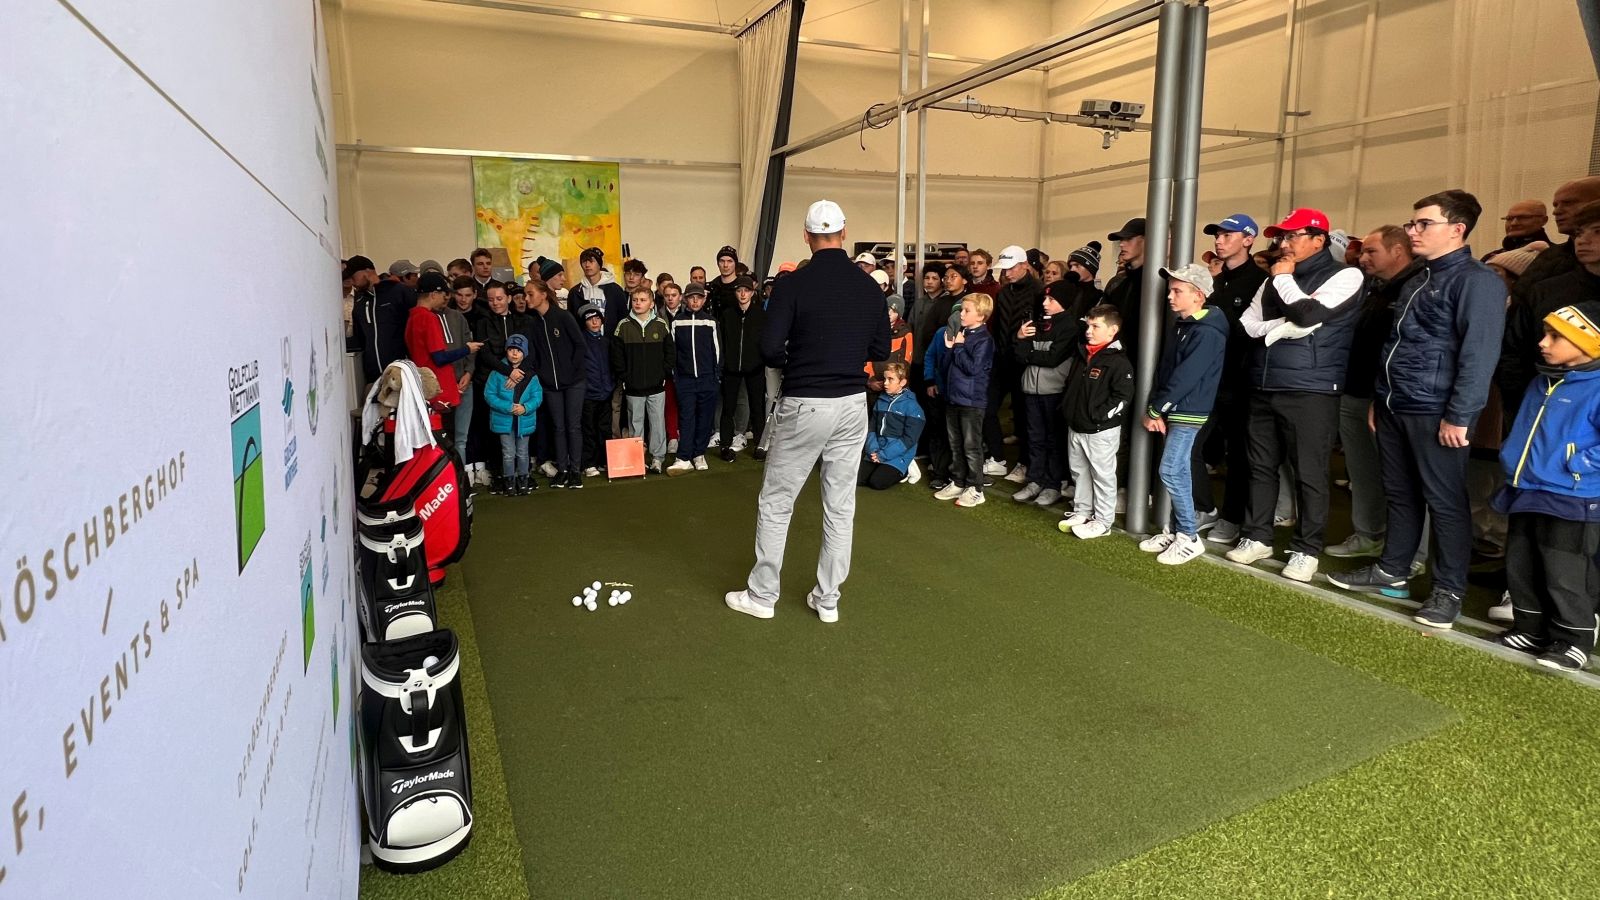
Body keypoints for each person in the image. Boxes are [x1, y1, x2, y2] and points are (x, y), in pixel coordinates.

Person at [1329, 190, 1506, 629]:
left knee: (1445, 502)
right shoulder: (1417, 277)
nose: (1413, 231)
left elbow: (1478, 354)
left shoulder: (1477, 281)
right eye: (1412, 224)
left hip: (1436, 411)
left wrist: (1461, 415)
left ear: (1457, 229)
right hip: (1394, 404)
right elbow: (1396, 345)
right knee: (1400, 494)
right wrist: (1379, 398)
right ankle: (1392, 571)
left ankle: (1449, 591)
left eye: (1423, 224)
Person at [724, 199, 890, 624]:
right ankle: (828, 598)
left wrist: (800, 358)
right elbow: (880, 351)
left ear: (806, 236)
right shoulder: (869, 286)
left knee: (778, 501)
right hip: (852, 404)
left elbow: (768, 348)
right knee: (839, 505)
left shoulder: (793, 285)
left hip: (806, 402)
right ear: (845, 233)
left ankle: (762, 596)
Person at [1223, 208, 1363, 582]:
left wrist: (1284, 281)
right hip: (1263, 382)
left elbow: (1306, 314)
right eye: (1282, 237)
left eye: (1293, 236)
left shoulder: (1346, 274)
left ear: (1319, 239)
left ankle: (1306, 549)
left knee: (1310, 473)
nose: (1284, 244)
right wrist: (1280, 325)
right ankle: (1257, 536)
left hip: (1311, 388)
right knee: (1260, 466)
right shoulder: (1271, 279)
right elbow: (1247, 325)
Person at [1493, 301, 1600, 671]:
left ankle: (1574, 638)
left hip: (1572, 496)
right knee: (1522, 563)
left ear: (1590, 344)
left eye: (1556, 336)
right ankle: (1531, 628)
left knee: (1565, 571)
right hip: (1527, 488)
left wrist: (1579, 464)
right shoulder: (1542, 380)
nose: (1543, 342)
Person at [1326, 226, 1421, 560]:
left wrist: (1384, 394)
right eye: (1362, 252)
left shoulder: (1418, 285)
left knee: (1402, 478)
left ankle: (1408, 553)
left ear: (1397, 251)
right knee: (1361, 471)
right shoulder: (1374, 288)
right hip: (1355, 390)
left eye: (1371, 252)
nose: (1362, 258)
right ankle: (1368, 534)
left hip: (1388, 397)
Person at [1139, 263, 1228, 566]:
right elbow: (1168, 370)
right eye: (1171, 290)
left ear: (1199, 295)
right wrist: (1158, 405)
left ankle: (1189, 536)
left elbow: (1186, 376)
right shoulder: (1185, 324)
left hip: (1189, 411)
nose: (1170, 296)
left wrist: (1155, 408)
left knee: (1171, 470)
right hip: (1177, 408)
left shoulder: (1208, 331)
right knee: (1177, 470)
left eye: (1178, 291)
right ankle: (1178, 529)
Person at [1197, 214, 1268, 546]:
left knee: (1239, 455)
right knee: (1193, 447)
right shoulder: (1214, 281)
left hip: (1240, 383)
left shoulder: (1259, 280)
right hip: (1208, 380)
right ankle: (1204, 508)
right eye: (1217, 235)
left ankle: (1232, 518)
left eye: (1228, 235)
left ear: (1249, 239)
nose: (1219, 240)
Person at [1500, 200, 1600, 414]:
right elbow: (1515, 351)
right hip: (1546, 401)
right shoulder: (1546, 290)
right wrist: (1524, 402)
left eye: (1597, 231)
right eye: (1579, 233)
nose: (1583, 240)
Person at [1057, 304, 1134, 539]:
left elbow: (1122, 398)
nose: (1089, 330)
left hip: (1100, 430)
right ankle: (1082, 510)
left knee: (1102, 475)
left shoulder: (1119, 362)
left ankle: (1102, 521)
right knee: (1079, 472)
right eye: (1088, 325)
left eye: (1095, 326)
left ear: (1112, 331)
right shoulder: (1083, 354)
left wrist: (1099, 416)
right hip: (1076, 425)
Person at [1011, 284, 1076, 507]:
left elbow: (1053, 358)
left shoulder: (1070, 326)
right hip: (1030, 390)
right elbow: (1019, 354)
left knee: (1053, 440)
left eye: (1051, 300)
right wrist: (1020, 338)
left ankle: (1053, 484)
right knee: (1034, 438)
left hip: (1054, 392)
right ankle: (1035, 480)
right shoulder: (1036, 322)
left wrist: (1029, 351)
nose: (1045, 303)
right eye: (1045, 299)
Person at [523, 276, 587, 489]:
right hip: (550, 385)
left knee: (573, 426)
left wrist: (571, 372)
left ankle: (576, 470)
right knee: (558, 427)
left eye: (530, 294)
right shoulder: (532, 324)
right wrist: (541, 376)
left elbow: (580, 346)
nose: (526, 298)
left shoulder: (563, 316)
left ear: (543, 294)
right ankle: (563, 469)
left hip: (574, 382)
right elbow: (532, 356)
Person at [933, 294, 996, 508]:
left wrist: (958, 347)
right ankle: (958, 481)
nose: (961, 314)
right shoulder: (962, 334)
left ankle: (976, 488)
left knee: (971, 446)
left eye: (966, 311)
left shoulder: (984, 340)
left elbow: (972, 369)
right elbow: (947, 367)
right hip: (953, 397)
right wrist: (951, 347)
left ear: (981, 315)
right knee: (956, 444)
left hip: (971, 401)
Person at [990, 245, 1045, 484]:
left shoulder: (1040, 292)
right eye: (1004, 269)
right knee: (987, 407)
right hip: (1001, 361)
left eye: (1011, 268)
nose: (1007, 274)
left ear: (1025, 265)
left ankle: (1025, 464)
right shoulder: (1002, 293)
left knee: (1024, 417)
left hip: (1025, 362)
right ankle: (997, 458)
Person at [611, 286, 675, 473]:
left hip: (657, 386)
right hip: (633, 386)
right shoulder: (623, 325)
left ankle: (657, 458)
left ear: (652, 303)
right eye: (635, 299)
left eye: (642, 299)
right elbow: (616, 356)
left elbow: (670, 353)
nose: (638, 303)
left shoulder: (661, 324)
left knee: (657, 424)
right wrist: (625, 377)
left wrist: (663, 374)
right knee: (635, 424)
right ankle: (636, 459)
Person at [404, 271, 479, 413]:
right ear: (433, 294)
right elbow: (439, 358)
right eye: (443, 294)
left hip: (422, 384)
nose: (445, 298)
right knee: (444, 432)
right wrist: (467, 349)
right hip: (438, 388)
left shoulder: (412, 317)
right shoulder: (429, 318)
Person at [667, 282, 720, 474]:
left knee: (705, 419)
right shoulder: (676, 322)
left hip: (708, 379)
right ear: (685, 299)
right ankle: (683, 457)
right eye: (691, 297)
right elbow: (672, 353)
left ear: (704, 299)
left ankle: (699, 454)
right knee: (686, 418)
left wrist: (716, 377)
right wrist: (677, 376)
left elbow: (718, 352)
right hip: (685, 381)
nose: (695, 301)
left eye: (699, 297)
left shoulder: (711, 322)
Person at [484, 334, 543, 496]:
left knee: (523, 452)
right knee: (508, 453)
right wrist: (508, 407)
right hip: (505, 421)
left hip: (524, 420)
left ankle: (523, 481)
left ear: (524, 353)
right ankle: (509, 482)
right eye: (511, 349)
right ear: (506, 351)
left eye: (518, 350)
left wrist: (525, 407)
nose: (514, 353)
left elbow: (537, 396)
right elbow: (489, 395)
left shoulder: (531, 375)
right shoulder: (497, 373)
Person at [716, 275, 767, 462]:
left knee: (757, 408)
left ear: (752, 293)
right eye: (739, 290)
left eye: (746, 290)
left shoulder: (761, 315)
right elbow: (723, 342)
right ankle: (725, 445)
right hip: (731, 369)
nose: (743, 294)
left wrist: (760, 360)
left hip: (755, 368)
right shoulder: (728, 315)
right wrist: (724, 364)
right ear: (735, 293)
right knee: (728, 408)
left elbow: (765, 342)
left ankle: (760, 445)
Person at [349, 255, 416, 388]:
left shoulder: (398, 291)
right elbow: (360, 338)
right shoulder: (359, 302)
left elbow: (415, 327)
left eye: (353, 276)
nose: (352, 281)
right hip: (374, 379)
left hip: (402, 374)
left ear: (367, 271)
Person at [859, 362, 926, 489]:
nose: (885, 383)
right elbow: (872, 428)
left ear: (902, 382)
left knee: (877, 483)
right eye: (885, 378)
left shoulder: (913, 407)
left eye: (890, 379)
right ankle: (881, 465)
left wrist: (883, 455)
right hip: (877, 451)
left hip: (898, 454)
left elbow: (909, 440)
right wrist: (873, 450)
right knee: (856, 478)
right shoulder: (881, 400)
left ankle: (906, 469)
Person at [440, 277, 479, 451]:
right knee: (443, 436)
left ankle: (461, 477)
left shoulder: (457, 317)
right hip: (441, 386)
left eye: (467, 295)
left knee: (461, 438)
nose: (462, 299)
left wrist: (469, 372)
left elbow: (469, 347)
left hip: (464, 382)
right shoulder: (427, 318)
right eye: (458, 294)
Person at [1101, 219, 1147, 365]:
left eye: (1128, 239)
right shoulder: (1118, 286)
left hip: (1145, 366)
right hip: (1118, 364)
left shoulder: (1161, 284)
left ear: (1147, 239)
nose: (1121, 244)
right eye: (1121, 239)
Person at [577, 303, 614, 478]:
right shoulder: (581, 342)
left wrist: (610, 385)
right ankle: (589, 463)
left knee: (604, 429)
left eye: (597, 318)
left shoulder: (606, 341)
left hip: (605, 392)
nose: (594, 322)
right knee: (589, 429)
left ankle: (604, 460)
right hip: (588, 394)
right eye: (590, 319)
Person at [571, 246, 628, 331]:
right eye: (584, 262)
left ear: (599, 264)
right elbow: (573, 321)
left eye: (591, 261)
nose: (587, 265)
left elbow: (623, 317)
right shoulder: (575, 292)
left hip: (610, 339)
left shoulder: (615, 290)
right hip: (585, 340)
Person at [866, 295, 913, 394]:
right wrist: (870, 380)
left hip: (895, 387)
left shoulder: (905, 333)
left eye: (894, 311)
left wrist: (895, 384)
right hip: (874, 385)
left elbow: (907, 362)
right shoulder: (873, 330)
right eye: (887, 309)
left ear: (899, 314)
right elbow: (867, 358)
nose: (889, 313)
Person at [707, 246, 741, 316]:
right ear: (718, 264)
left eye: (730, 261)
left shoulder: (743, 287)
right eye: (722, 261)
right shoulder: (710, 288)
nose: (725, 265)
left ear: (735, 264)